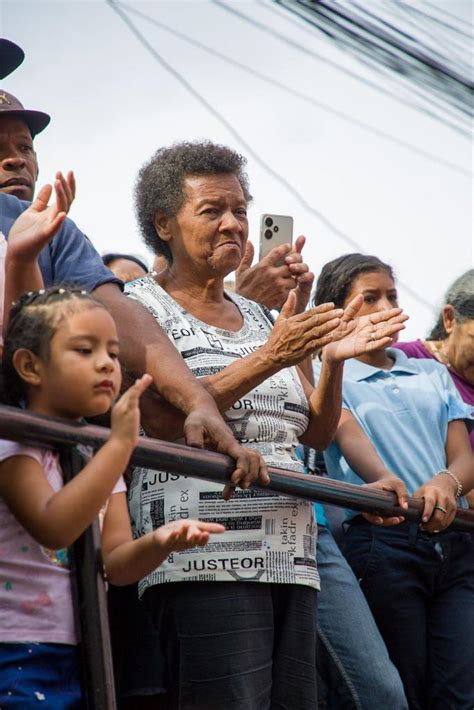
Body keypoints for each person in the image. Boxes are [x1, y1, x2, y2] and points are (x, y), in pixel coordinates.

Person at [124, 140, 406, 710]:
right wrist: (270, 357)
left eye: (240, 210)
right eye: (211, 211)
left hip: (293, 553)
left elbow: (316, 434)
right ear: (164, 224)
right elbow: (156, 420)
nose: (232, 223)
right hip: (203, 553)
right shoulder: (136, 305)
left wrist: (333, 360)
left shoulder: (260, 315)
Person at [0, 286, 225, 708]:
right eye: (84, 351)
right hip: (13, 643)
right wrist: (120, 447)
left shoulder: (96, 459)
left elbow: (116, 564)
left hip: (79, 642)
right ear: (30, 366)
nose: (106, 363)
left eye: (114, 352)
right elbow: (55, 526)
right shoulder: (13, 447)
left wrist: (161, 541)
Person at [313, 253, 474, 709]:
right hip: (383, 539)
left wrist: (447, 483)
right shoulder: (331, 373)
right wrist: (384, 479)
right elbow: (343, 430)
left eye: (392, 296)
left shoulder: (430, 370)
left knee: (460, 690)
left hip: (454, 540)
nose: (386, 306)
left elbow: (462, 454)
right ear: (338, 311)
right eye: (369, 298)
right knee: (403, 686)